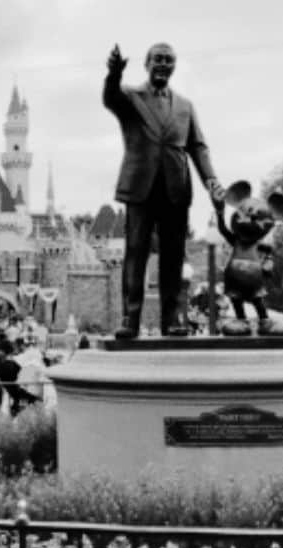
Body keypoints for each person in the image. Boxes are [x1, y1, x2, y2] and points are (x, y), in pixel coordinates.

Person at [103, 42, 226, 339]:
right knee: (136, 253)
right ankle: (130, 318)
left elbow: (198, 147)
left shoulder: (185, 106)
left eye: (169, 60)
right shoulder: (131, 97)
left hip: (175, 188)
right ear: (146, 63)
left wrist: (211, 182)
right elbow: (111, 99)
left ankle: (172, 318)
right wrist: (113, 74)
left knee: (173, 256)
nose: (163, 64)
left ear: (174, 66)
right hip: (140, 188)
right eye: (158, 59)